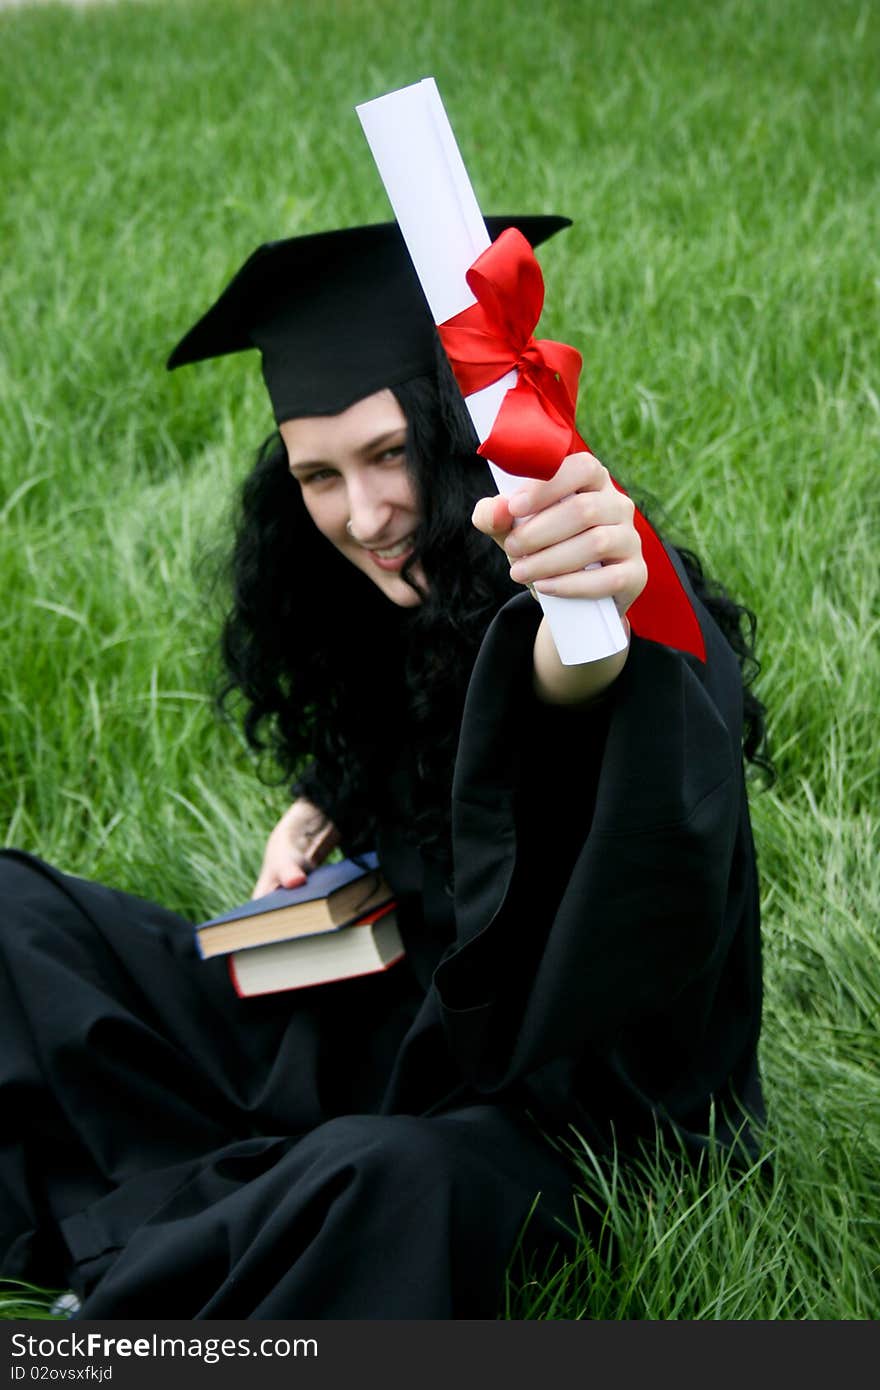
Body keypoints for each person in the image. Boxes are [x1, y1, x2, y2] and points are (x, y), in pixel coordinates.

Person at [0, 216, 768, 1319]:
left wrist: (583, 624)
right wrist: (330, 801)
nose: (361, 516)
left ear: (458, 431)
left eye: (389, 452)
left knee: (384, 1183)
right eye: (318, 473)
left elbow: (583, 690)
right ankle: (229, 1210)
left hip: (550, 1112)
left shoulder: (582, 575)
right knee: (18, 917)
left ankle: (136, 1302)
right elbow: (416, 743)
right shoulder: (372, 590)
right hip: (385, 1026)